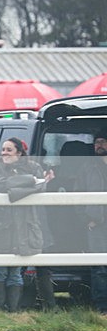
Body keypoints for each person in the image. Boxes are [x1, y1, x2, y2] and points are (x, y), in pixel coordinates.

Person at [0, 137, 48, 312]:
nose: (4, 153)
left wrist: (15, 190)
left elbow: (41, 186)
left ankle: (13, 310)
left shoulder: (34, 167)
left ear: (19, 153)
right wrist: (30, 183)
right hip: (1, 225)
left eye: (9, 150)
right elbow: (0, 185)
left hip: (25, 224)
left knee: (15, 273)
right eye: (3, 149)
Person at [76, 131, 107, 315]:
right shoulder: (87, 167)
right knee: (99, 267)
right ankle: (102, 308)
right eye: (96, 142)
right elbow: (77, 195)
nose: (99, 146)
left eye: (103, 142)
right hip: (97, 224)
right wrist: (87, 218)